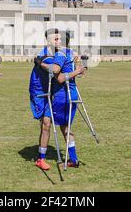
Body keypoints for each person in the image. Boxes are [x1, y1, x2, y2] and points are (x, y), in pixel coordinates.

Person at [49, 32, 86, 168]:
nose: (56, 41)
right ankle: (73, 159)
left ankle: (73, 159)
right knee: (66, 127)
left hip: (63, 95)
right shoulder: (72, 53)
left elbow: (58, 77)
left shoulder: (61, 54)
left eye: (58, 39)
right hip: (72, 94)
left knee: (63, 127)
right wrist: (80, 69)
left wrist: (77, 71)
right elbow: (82, 73)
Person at [29, 28, 62, 171]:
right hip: (38, 91)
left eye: (60, 39)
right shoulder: (44, 55)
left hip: (50, 90)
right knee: (45, 123)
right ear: (48, 41)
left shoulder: (57, 53)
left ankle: (41, 158)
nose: (60, 41)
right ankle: (41, 158)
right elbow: (54, 69)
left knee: (47, 123)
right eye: (56, 39)